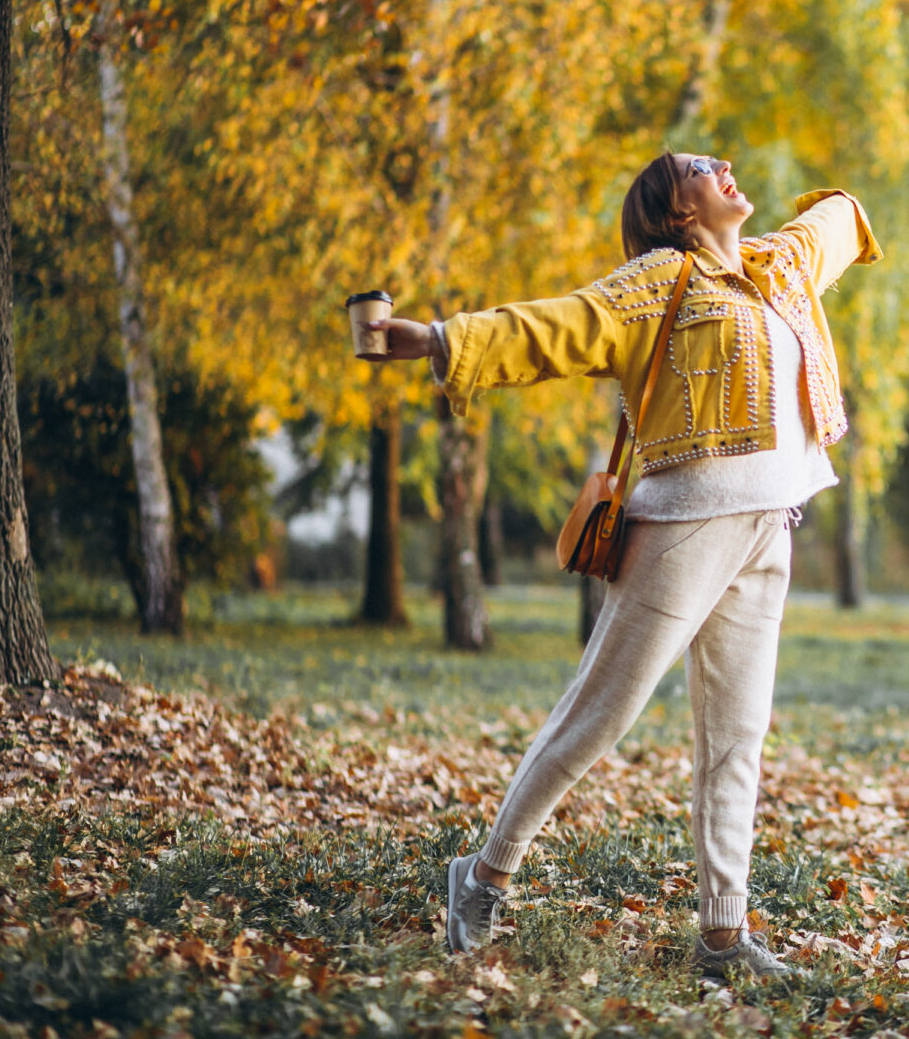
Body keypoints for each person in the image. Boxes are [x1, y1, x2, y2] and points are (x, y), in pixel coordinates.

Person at [365, 152, 881, 977]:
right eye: (703, 168)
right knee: (599, 714)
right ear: (676, 211)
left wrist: (846, 206)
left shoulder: (775, 268)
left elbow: (837, 222)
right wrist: (435, 339)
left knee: (737, 736)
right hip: (680, 532)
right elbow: (553, 327)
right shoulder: (656, 282)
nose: (726, 167)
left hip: (768, 529)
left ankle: (723, 936)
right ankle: (483, 876)